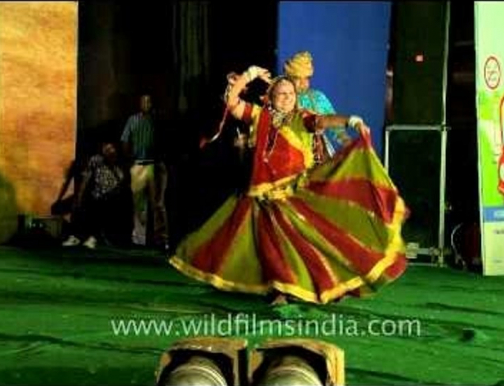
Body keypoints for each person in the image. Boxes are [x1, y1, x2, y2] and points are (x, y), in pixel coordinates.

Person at [169, 65, 408, 305]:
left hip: (292, 195)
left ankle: (325, 285)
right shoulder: (258, 115)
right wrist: (250, 74)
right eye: (281, 94)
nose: (287, 98)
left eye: (291, 94)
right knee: (265, 248)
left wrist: (351, 120)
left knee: (308, 245)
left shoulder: (301, 118)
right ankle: (280, 290)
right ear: (271, 97)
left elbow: (324, 120)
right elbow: (232, 102)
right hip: (261, 198)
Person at [283, 51, 357, 164]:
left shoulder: (317, 98)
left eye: (306, 78)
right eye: (298, 78)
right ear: (289, 77)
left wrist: (347, 142)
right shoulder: (281, 98)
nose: (303, 83)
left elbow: (335, 126)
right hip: (289, 154)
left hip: (318, 154)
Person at [121, 94, 169, 250]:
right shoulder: (132, 120)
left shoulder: (158, 120)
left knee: (158, 204)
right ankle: (138, 240)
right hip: (138, 164)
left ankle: (161, 240)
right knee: (139, 204)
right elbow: (125, 140)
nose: (145, 104)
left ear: (152, 104)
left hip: (155, 165)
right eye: (142, 101)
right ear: (139, 103)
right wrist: (129, 158)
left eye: (148, 101)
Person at [62, 142, 128, 249]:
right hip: (94, 194)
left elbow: (119, 187)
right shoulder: (96, 160)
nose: (108, 151)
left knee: (102, 208)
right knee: (82, 207)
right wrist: (80, 194)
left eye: (110, 148)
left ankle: (93, 238)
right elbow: (87, 177)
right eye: (105, 149)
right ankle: (75, 237)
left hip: (110, 198)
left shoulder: (119, 169)